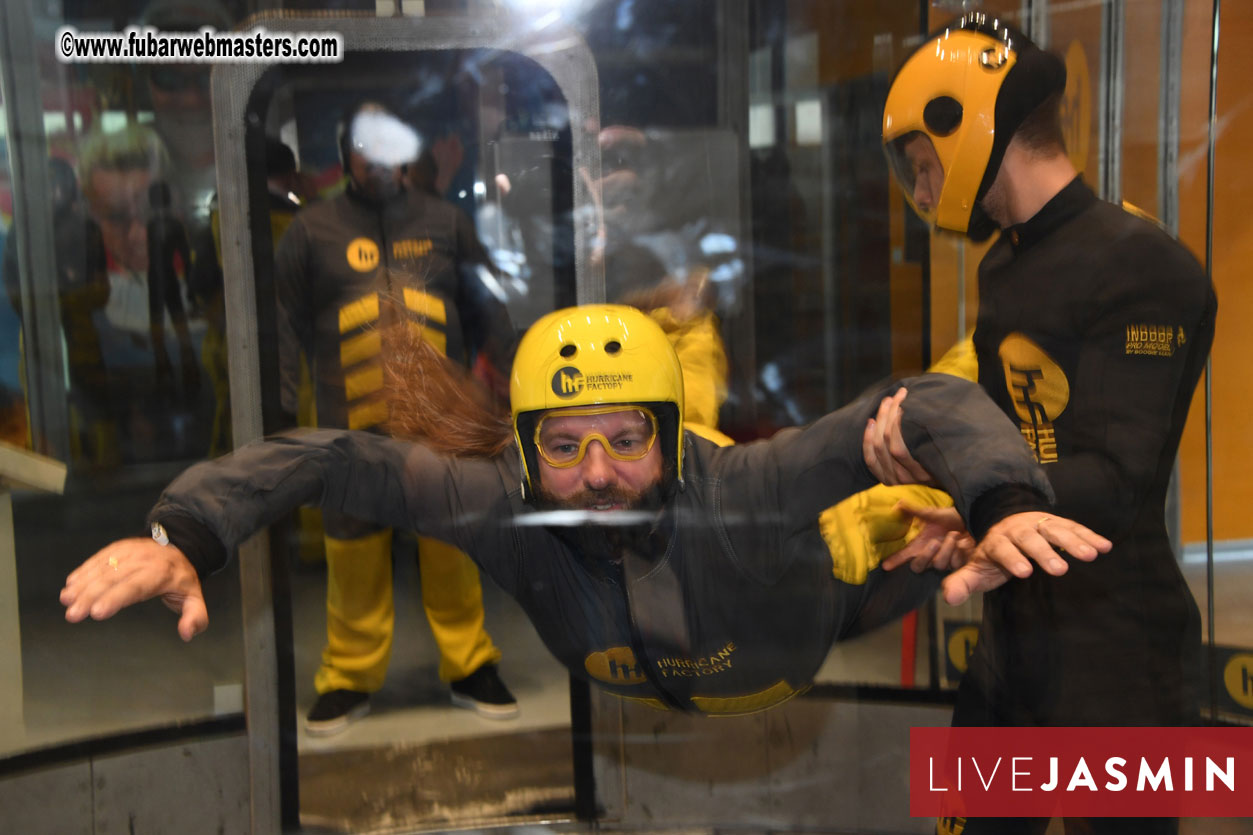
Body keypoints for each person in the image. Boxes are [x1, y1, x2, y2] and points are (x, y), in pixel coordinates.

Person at [61, 303, 1111, 717]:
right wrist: (184, 530)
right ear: (522, 451)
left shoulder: (747, 482)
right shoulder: (496, 502)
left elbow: (920, 400)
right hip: (729, 626)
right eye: (562, 447)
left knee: (895, 483)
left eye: (624, 437)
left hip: (813, 590)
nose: (597, 471)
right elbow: (333, 459)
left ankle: (927, 507)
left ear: (665, 437)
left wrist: (1001, 494)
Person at [881, 15, 1217, 834]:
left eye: (924, 166)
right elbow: (1016, 453)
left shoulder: (1145, 267)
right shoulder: (1003, 265)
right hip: (1013, 636)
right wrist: (971, 511)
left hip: (1120, 657)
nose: (922, 193)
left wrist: (980, 506)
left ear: (969, 133)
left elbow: (1116, 481)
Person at [274, 102, 517, 734]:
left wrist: (518, 387)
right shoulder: (310, 232)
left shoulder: (447, 221)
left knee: (452, 546)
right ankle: (348, 677)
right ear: (345, 152)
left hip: (443, 429)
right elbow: (281, 330)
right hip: (350, 430)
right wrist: (277, 415)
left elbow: (490, 309)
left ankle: (470, 665)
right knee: (351, 551)